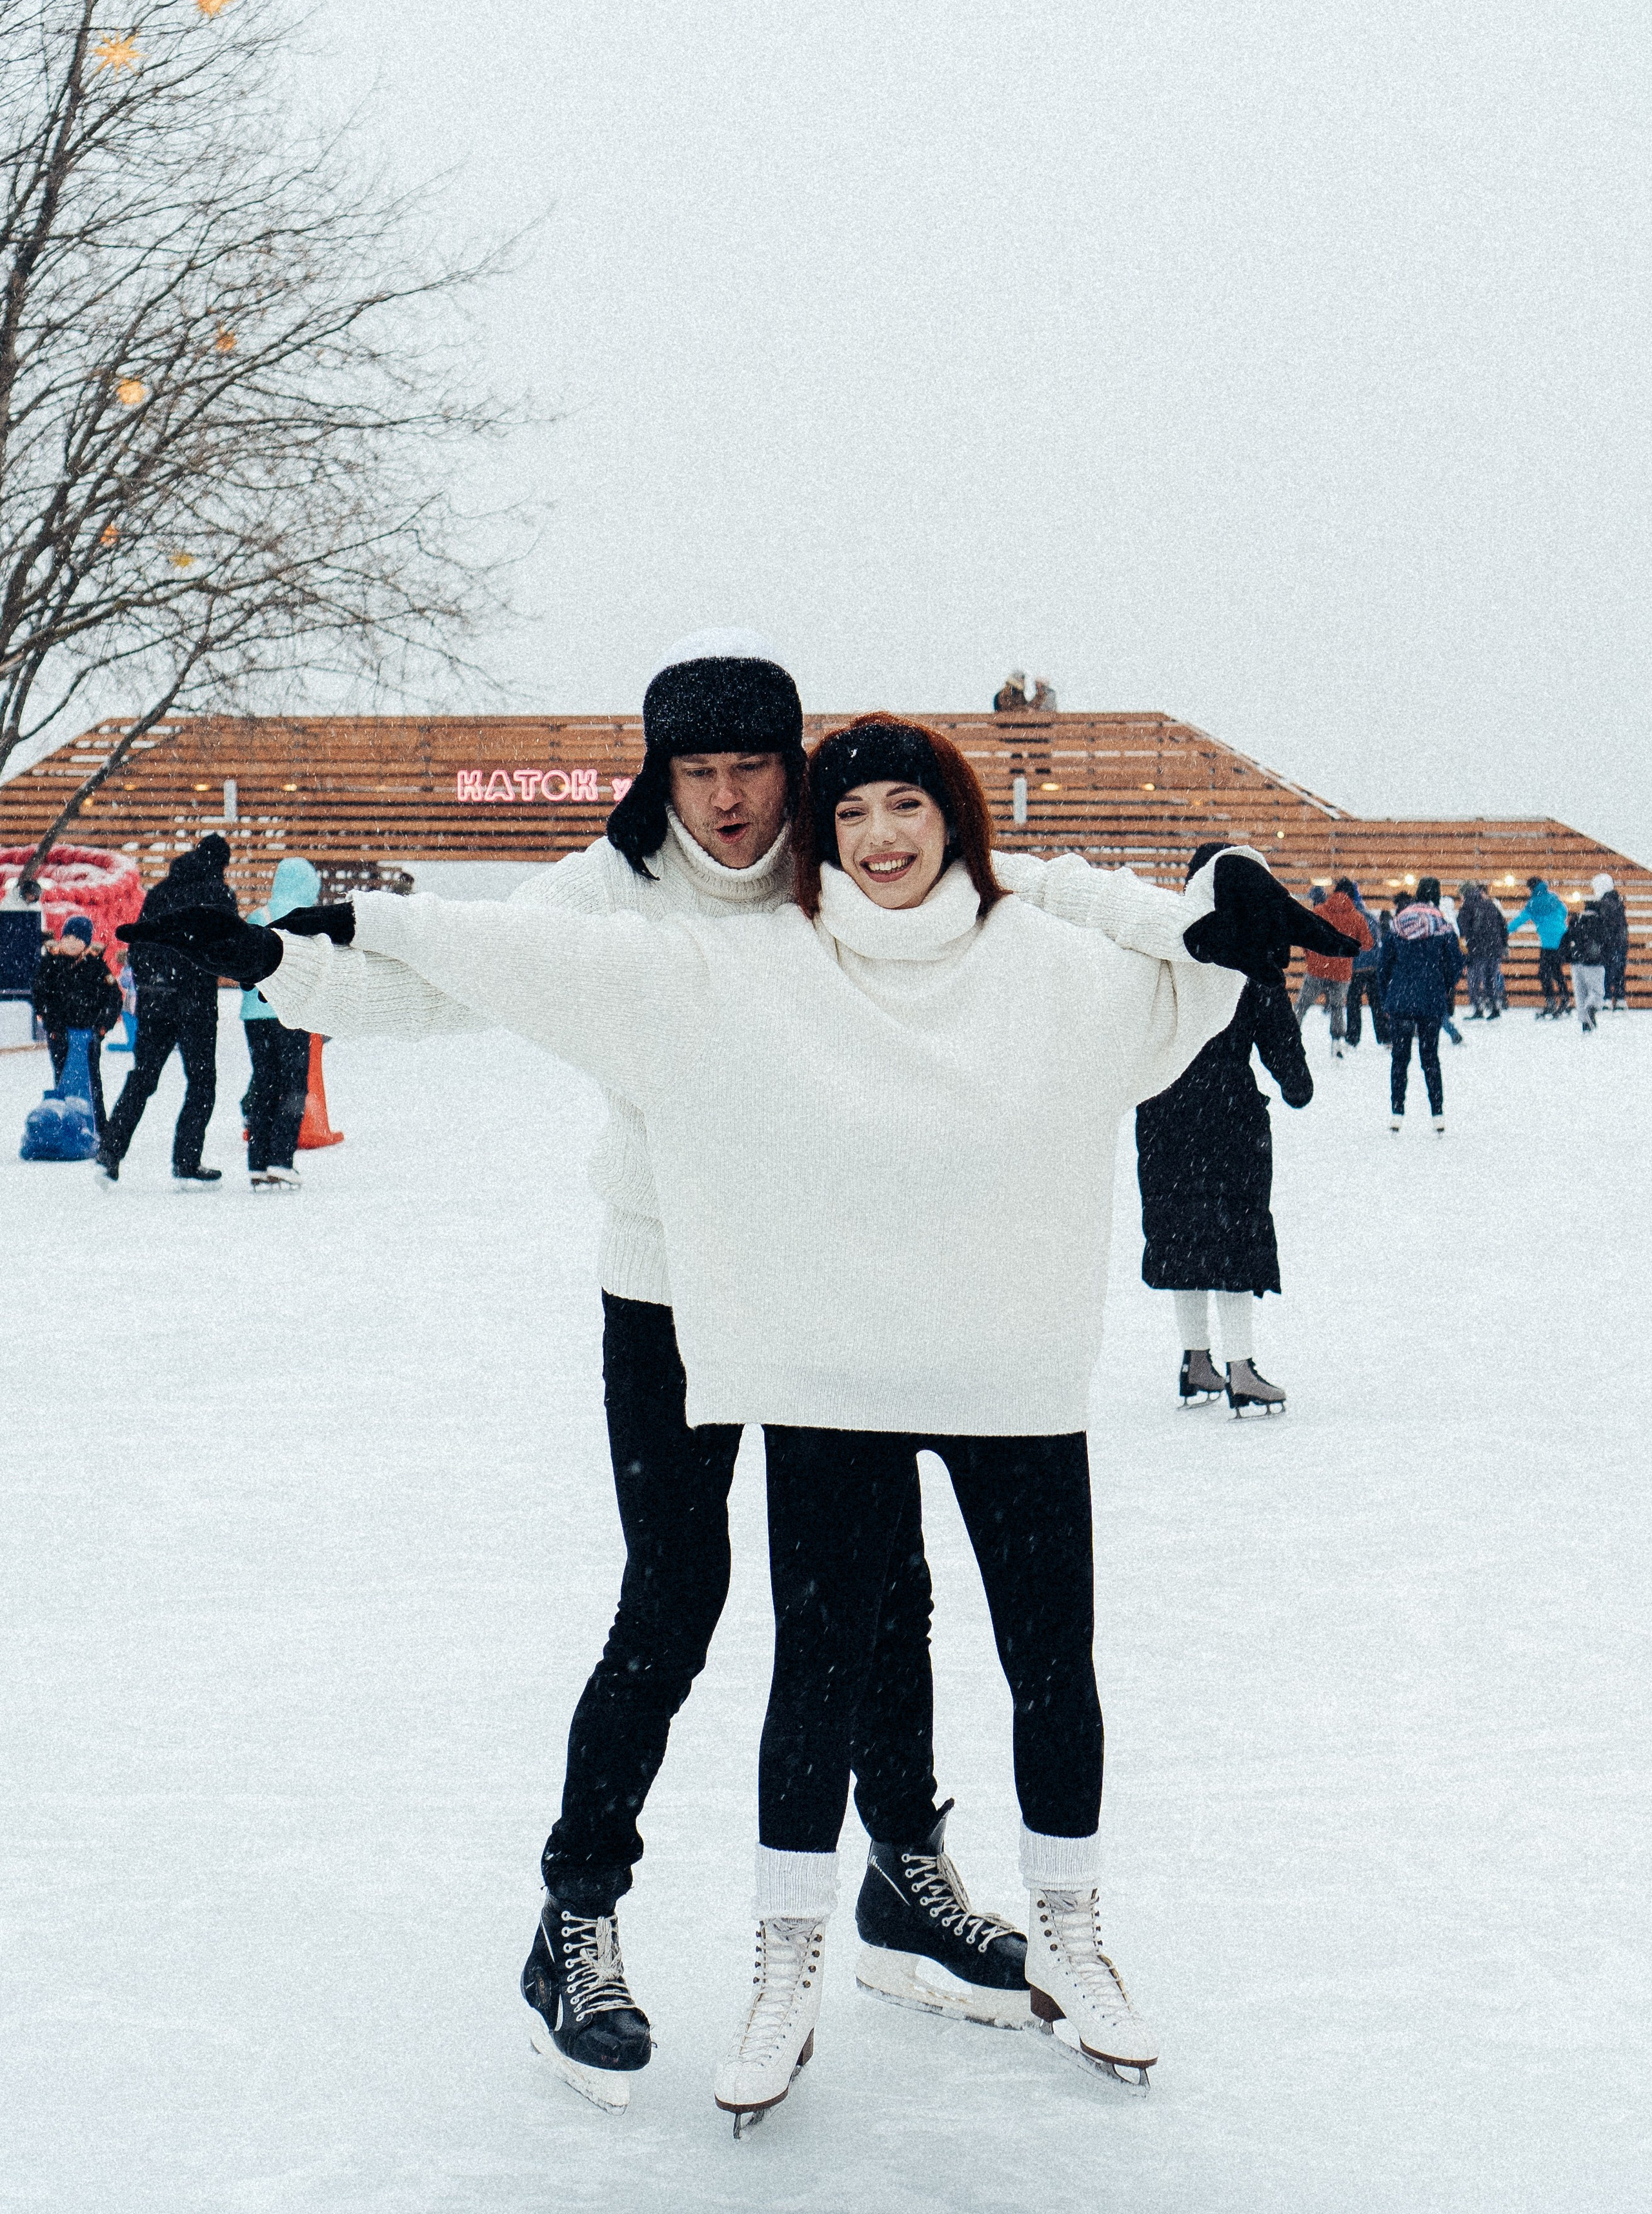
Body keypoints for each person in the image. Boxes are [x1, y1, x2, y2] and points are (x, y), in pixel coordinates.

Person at [125, 713, 1347, 2121]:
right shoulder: (624, 888)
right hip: (668, 1285)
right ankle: (579, 1909)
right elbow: (488, 978)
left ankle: (900, 1876)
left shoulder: (825, 877)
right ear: (663, 778)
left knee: (882, 1591)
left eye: (751, 770)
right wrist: (286, 958)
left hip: (830, 1288)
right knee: (679, 1596)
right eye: (696, 772)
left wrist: (1204, 907)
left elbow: (1038, 890)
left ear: (792, 771)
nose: (728, 800)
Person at [1138, 846, 1313, 1413]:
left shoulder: (1162, 946)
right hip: (1228, 1115)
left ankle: (1196, 1361)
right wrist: (1295, 1082)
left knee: (1185, 1234)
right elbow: (1282, 1044)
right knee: (1233, 1235)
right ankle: (1241, 1368)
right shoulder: (1249, 952)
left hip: (1164, 1108)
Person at [96, 834, 236, 1186]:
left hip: (157, 998)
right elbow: (230, 946)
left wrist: (151, 982)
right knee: (202, 1082)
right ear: (220, 864)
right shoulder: (218, 896)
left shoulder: (160, 892)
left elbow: (139, 942)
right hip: (197, 1001)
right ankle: (187, 1161)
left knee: (143, 1076)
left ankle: (111, 1152)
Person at [241, 858, 321, 1186]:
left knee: (263, 1084)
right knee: (293, 1087)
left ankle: (257, 1162)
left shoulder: (258, 917)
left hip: (254, 1015)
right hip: (291, 1013)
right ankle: (281, 1159)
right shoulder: (309, 922)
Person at [1380, 878, 1464, 1132]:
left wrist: (1388, 995)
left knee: (1399, 1059)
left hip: (1401, 999)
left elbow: (1384, 966)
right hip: (1430, 998)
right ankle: (1437, 1114)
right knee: (1430, 1059)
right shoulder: (1442, 924)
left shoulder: (1398, 923)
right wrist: (1445, 988)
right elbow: (1456, 964)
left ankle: (1397, 1113)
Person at [29, 913, 123, 1127]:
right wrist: (51, 1024)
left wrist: (101, 1026)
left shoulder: (96, 967)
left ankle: (98, 1124)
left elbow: (114, 997)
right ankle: (66, 1121)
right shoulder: (51, 964)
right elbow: (40, 994)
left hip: (88, 1034)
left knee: (92, 1080)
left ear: (86, 943)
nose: (71, 943)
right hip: (59, 1033)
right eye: (68, 937)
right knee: (63, 1077)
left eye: (77, 939)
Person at [1293, 878, 1369, 1058]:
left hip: (1318, 968)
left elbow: (1306, 936)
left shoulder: (1319, 911)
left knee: (1302, 1005)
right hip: (1342, 972)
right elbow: (1367, 943)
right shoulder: (1357, 916)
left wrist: (1311, 957)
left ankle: (1291, 1037)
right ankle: (1337, 1043)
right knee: (1337, 1007)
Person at [1507, 875, 1571, 1019]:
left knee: (1543, 974)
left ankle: (1551, 1003)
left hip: (1549, 942)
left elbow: (1519, 920)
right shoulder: (1554, 898)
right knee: (1557, 972)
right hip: (1563, 938)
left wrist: (1504, 931)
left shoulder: (1533, 904)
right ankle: (1565, 1000)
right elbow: (1564, 911)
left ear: (1531, 888)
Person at [1343, 881, 1386, 1049]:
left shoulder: (1347, 917)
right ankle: (1383, 1036)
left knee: (1353, 1004)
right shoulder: (1369, 917)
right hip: (1372, 967)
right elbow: (1377, 940)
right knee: (1376, 1003)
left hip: (1354, 968)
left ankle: (1353, 1037)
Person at [1562, 891, 1610, 1033]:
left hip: (1576, 962)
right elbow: (1606, 943)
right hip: (1594, 963)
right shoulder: (1600, 922)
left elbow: (1565, 940)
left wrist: (1568, 957)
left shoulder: (1577, 921)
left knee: (1580, 993)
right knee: (1597, 992)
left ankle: (1585, 1022)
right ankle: (1591, 1008)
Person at [1458, 882, 1507, 1020]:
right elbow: (1503, 925)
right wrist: (1504, 944)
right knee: (1490, 979)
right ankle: (1495, 1007)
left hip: (1477, 949)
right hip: (1495, 948)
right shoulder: (1490, 904)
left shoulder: (1467, 907)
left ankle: (1478, 1008)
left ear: (1464, 894)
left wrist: (1466, 947)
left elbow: (1463, 928)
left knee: (1474, 979)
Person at [1593, 872, 1630, 1009]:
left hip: (1610, 944)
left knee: (1607, 972)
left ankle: (1607, 998)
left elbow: (1605, 925)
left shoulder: (1605, 904)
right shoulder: (1617, 901)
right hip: (1621, 943)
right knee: (1619, 972)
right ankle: (1620, 999)